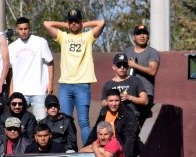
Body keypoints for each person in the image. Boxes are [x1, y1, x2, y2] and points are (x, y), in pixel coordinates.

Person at [44, 10, 105, 146]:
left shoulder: (87, 37)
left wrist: (83, 25)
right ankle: (68, 148)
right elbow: (47, 24)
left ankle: (87, 148)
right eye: (71, 21)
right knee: (65, 120)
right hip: (65, 85)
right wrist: (67, 25)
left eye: (76, 21)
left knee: (83, 121)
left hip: (82, 85)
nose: (73, 23)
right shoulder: (63, 36)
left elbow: (101, 23)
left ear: (81, 22)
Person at [8, 17, 54, 120]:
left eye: (26, 28)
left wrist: (50, 83)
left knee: (41, 122)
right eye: (21, 29)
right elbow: (11, 71)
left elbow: (50, 62)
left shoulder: (40, 42)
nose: (23, 31)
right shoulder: (12, 47)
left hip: (39, 91)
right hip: (20, 91)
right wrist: (11, 90)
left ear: (30, 28)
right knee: (18, 123)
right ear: (16, 29)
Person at [125, 25, 159, 125]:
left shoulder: (152, 52)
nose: (142, 36)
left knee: (139, 123)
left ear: (148, 36)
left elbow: (152, 71)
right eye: (139, 34)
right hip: (128, 92)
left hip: (145, 94)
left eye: (144, 33)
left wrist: (135, 65)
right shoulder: (127, 51)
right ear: (134, 37)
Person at [101, 53, 149, 120]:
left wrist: (129, 97)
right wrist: (113, 100)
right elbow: (103, 103)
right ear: (114, 67)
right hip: (113, 118)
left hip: (132, 118)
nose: (122, 68)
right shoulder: (108, 84)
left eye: (124, 65)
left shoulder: (135, 80)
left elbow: (145, 101)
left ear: (128, 66)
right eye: (119, 65)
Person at [94, 91, 139, 157]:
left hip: (119, 149)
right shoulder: (103, 112)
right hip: (105, 146)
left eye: (116, 100)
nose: (114, 104)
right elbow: (95, 130)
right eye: (111, 101)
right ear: (106, 101)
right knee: (86, 150)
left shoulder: (128, 115)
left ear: (120, 101)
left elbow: (129, 139)